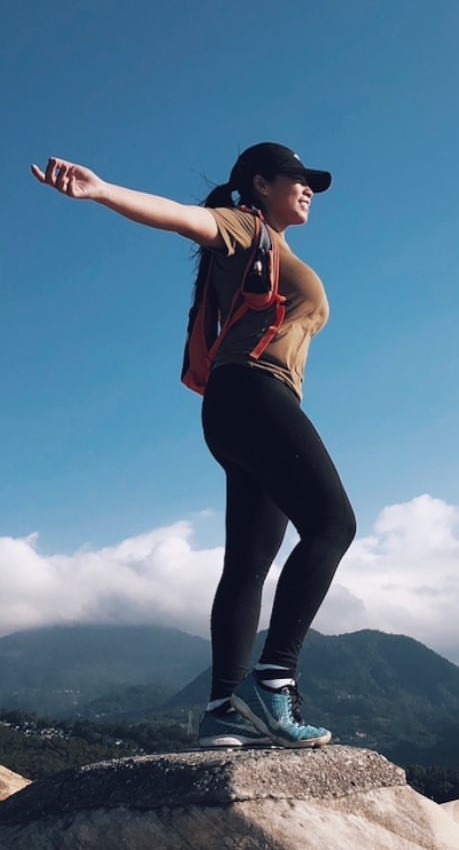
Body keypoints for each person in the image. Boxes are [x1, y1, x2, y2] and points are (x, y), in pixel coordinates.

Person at [31, 143, 357, 749]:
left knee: (248, 563)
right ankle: (274, 678)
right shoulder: (244, 228)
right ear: (259, 184)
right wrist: (101, 190)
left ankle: (223, 710)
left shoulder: (274, 248)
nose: (308, 189)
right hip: (254, 394)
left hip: (237, 406)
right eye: (296, 178)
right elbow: (182, 217)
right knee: (334, 525)